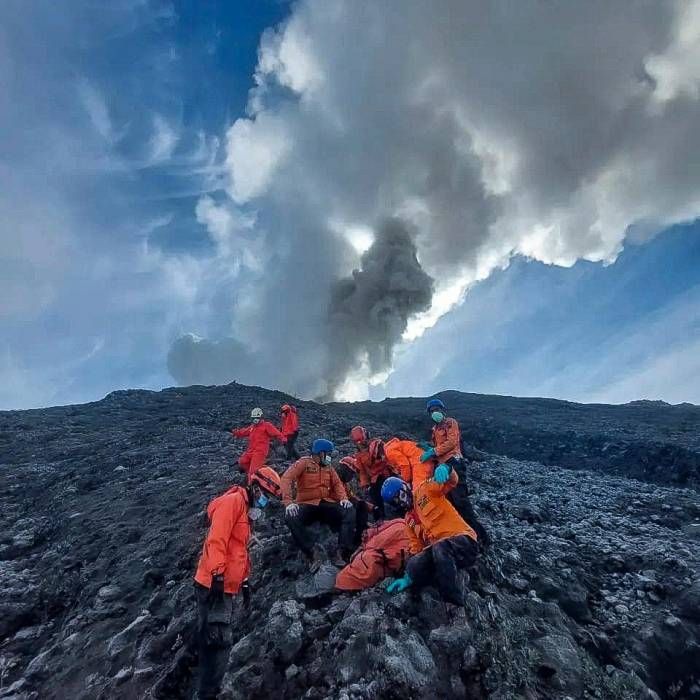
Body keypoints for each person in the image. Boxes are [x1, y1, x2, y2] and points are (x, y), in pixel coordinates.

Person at [193, 467, 282, 699]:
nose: (265, 503)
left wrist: (243, 581)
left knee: (210, 638)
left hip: (225, 586)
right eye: (265, 496)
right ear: (254, 487)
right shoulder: (232, 502)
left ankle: (197, 685)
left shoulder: (244, 509)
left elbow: (239, 551)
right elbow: (216, 541)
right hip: (213, 585)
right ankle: (207, 693)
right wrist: (218, 577)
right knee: (219, 642)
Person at [381, 470, 479, 606]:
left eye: (401, 495)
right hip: (443, 555)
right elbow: (417, 549)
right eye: (396, 502)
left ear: (406, 487)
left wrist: (447, 469)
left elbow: (451, 482)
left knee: (440, 547)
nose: (402, 502)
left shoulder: (425, 489)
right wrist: (408, 575)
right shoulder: (409, 521)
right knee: (414, 563)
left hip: (464, 542)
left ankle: (453, 601)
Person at [420, 399, 490, 547]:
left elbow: (452, 442)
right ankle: (464, 535)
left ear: (442, 410)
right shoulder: (435, 430)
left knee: (461, 501)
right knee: (451, 503)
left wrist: (434, 450)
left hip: (454, 463)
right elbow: (438, 447)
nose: (435, 413)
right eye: (432, 411)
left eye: (436, 409)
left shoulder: (450, 422)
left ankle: (481, 538)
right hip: (442, 466)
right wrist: (430, 449)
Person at [282, 439, 355, 570]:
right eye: (328, 453)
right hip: (306, 505)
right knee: (290, 517)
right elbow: (286, 478)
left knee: (349, 510)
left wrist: (343, 498)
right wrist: (288, 503)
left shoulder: (328, 466)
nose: (329, 456)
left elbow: (337, 483)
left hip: (325, 504)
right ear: (321, 453)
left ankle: (342, 551)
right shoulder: (303, 463)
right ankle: (311, 552)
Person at [335, 518, 410, 591]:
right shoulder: (402, 529)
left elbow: (373, 534)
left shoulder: (401, 523)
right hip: (367, 570)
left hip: (365, 566)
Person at [231, 407, 286, 482]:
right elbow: (244, 432)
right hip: (251, 451)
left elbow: (277, 433)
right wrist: (235, 432)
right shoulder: (252, 427)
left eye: (256, 417)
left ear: (260, 417)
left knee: (253, 471)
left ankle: (252, 484)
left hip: (260, 452)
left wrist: (283, 439)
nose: (255, 419)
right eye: (253, 418)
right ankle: (255, 474)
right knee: (242, 462)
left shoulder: (267, 425)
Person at [350, 426, 394, 519]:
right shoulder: (359, 455)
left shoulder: (377, 444)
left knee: (393, 493)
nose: (361, 443)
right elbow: (362, 472)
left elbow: (388, 457)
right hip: (374, 480)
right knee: (375, 498)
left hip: (386, 474)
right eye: (358, 442)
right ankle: (380, 519)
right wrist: (365, 485)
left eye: (362, 440)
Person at [337, 455, 374, 546]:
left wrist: (372, 508)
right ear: (344, 469)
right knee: (350, 511)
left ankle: (359, 535)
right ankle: (346, 545)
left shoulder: (345, 484)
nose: (352, 476)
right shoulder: (333, 480)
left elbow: (352, 497)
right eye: (351, 473)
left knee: (361, 505)